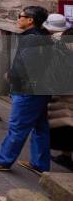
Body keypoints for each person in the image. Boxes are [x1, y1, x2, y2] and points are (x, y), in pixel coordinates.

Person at [0, 6, 52, 174]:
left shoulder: (32, 39)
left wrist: (11, 75)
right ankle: (39, 164)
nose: (18, 19)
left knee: (17, 127)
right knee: (40, 127)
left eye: (21, 16)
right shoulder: (43, 36)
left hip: (28, 90)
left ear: (30, 20)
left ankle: (3, 161)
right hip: (42, 89)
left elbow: (29, 65)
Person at [43, 16, 73, 170]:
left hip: (65, 95)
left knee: (64, 126)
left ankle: (64, 156)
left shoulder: (60, 47)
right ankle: (65, 155)